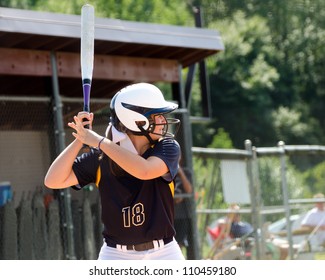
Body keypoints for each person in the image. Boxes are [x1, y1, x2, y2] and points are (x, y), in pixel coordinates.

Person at [44, 82, 185, 260]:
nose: (163, 121)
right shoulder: (101, 157)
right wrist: (81, 138)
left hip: (163, 253)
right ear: (136, 120)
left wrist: (99, 141)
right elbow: (53, 180)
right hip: (116, 254)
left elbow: (145, 170)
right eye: (157, 116)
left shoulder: (167, 147)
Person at [173, 162, 193, 257]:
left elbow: (189, 190)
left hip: (182, 216)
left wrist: (180, 172)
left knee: (179, 245)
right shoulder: (164, 171)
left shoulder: (186, 172)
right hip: (168, 216)